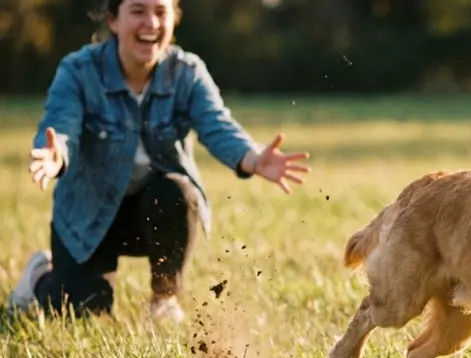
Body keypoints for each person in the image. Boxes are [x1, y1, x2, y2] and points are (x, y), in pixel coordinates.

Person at [7, 0, 310, 322]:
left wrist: (252, 158)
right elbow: (60, 125)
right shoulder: (79, 70)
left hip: (153, 212)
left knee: (177, 192)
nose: (151, 22)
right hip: (88, 216)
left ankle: (163, 300)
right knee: (84, 312)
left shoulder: (187, 73)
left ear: (173, 20)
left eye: (160, 12)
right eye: (137, 11)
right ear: (113, 20)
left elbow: (217, 126)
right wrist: (55, 154)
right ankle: (39, 276)